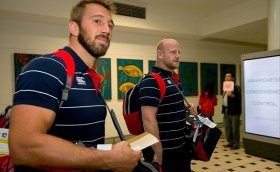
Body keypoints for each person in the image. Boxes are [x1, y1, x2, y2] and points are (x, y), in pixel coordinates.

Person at [8, 0, 141, 171]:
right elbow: (23, 147)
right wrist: (108, 159)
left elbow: (87, 142)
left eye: (110, 25)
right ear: (74, 28)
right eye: (97, 21)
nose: (107, 30)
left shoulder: (90, 77)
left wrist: (115, 154)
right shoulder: (46, 67)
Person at [139, 38, 197, 172]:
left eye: (179, 52)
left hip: (180, 148)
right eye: (173, 52)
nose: (178, 56)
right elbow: (148, 119)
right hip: (164, 152)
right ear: (160, 54)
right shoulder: (150, 81)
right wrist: (158, 152)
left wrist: (188, 111)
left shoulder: (174, 78)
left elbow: (170, 108)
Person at [222, 72, 242, 150]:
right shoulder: (225, 87)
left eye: (229, 76)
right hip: (226, 111)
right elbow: (224, 99)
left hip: (234, 112)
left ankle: (236, 143)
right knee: (227, 128)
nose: (227, 78)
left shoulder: (237, 88)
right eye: (226, 76)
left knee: (235, 128)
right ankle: (230, 142)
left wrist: (232, 95)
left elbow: (240, 99)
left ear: (232, 78)